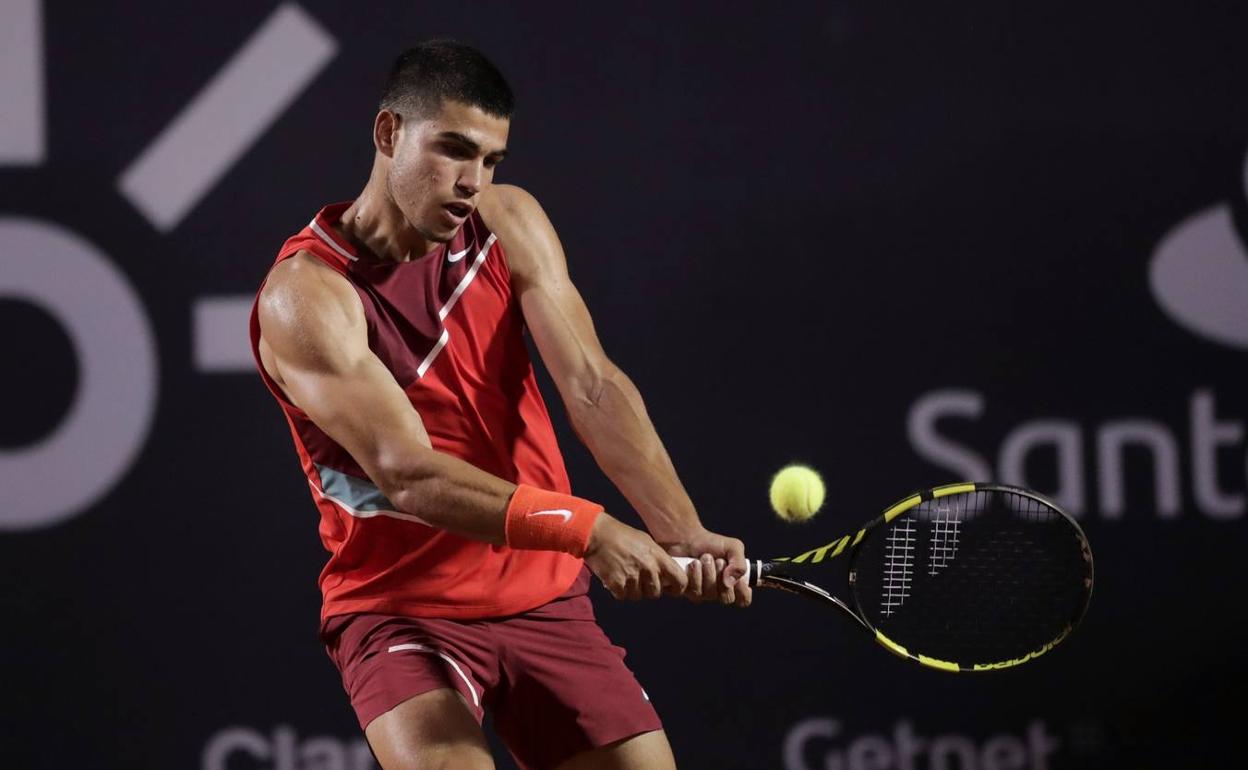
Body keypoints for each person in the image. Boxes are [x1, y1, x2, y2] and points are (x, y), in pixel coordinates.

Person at [249, 40, 750, 770]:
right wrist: (592, 529)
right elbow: (408, 474)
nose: (472, 183)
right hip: (403, 607)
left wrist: (681, 529)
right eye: (453, 151)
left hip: (545, 598)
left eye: (490, 160)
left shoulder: (508, 223)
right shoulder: (307, 296)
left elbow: (593, 386)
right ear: (388, 134)